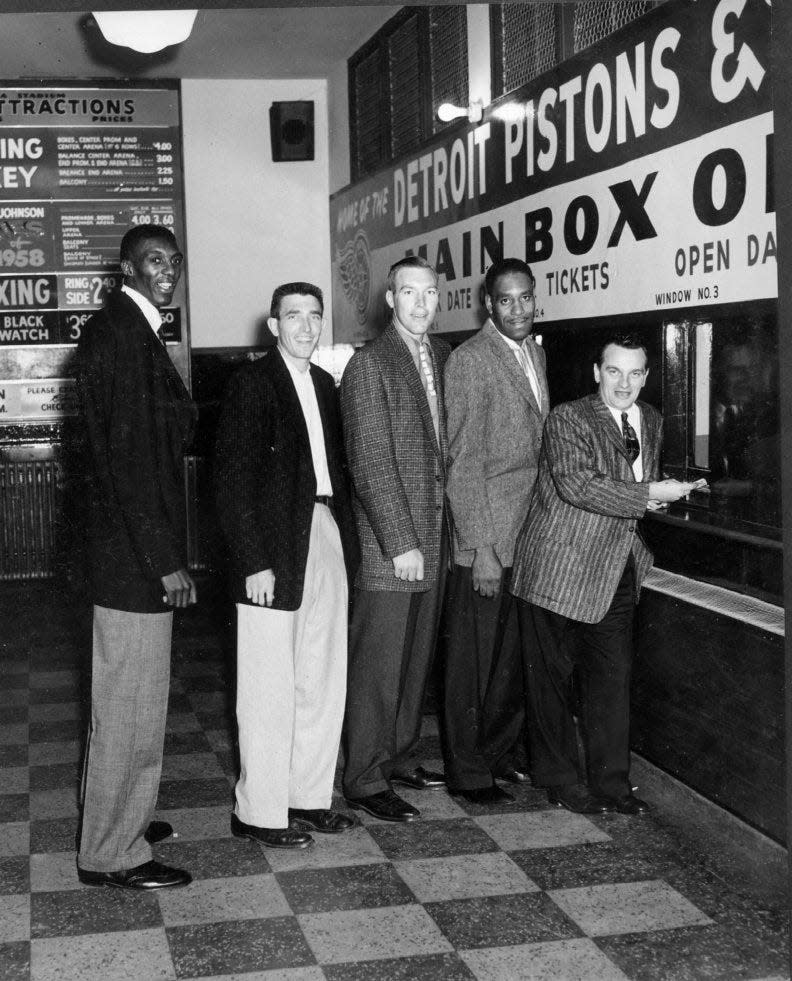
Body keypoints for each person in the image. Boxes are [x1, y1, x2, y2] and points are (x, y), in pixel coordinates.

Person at [510, 334, 701, 815]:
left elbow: (632, 485)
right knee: (550, 683)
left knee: (611, 681)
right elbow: (578, 484)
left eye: (635, 373)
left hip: (615, 566)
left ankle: (613, 786)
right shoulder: (568, 418)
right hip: (557, 566)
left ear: (646, 376)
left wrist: (654, 496)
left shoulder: (651, 419)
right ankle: (559, 780)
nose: (624, 383)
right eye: (614, 371)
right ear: (597, 372)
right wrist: (645, 493)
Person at [214, 282, 359, 849]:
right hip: (271, 550)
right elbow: (230, 479)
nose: (304, 326)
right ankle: (259, 810)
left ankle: (307, 797)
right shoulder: (251, 384)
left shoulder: (324, 384)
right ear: (273, 325)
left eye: (313, 316)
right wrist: (253, 560)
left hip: (323, 532)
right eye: (292, 316)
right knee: (268, 683)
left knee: (322, 676)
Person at [75, 224, 197, 890]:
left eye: (174, 262)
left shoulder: (126, 330)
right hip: (132, 560)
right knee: (131, 707)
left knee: (122, 703)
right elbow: (127, 464)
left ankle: (116, 818)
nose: (167, 271)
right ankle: (112, 850)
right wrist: (164, 560)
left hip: (125, 554)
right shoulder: (123, 335)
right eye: (155, 261)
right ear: (127, 267)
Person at [340, 255, 450, 822]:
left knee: (414, 661)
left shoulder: (440, 355)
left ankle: (400, 756)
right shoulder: (369, 366)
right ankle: (363, 776)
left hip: (435, 536)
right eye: (410, 293)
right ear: (390, 299)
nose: (421, 304)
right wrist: (401, 541)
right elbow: (372, 463)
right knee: (377, 665)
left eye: (430, 294)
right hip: (394, 545)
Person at [442, 258, 548, 805]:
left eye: (525, 298)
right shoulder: (469, 360)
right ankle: (468, 770)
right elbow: (462, 462)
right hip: (485, 537)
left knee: (508, 660)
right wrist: (480, 547)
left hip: (526, 536)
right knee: (473, 663)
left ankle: (500, 755)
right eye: (505, 301)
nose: (517, 309)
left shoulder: (535, 352)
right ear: (489, 305)